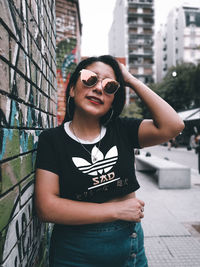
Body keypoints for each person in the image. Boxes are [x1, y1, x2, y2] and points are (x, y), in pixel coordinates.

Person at [34, 55, 184, 267]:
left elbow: (174, 125)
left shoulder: (123, 130)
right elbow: (46, 207)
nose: (98, 88)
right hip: (73, 253)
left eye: (110, 86)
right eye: (90, 79)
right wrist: (116, 211)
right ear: (72, 89)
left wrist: (130, 79)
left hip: (129, 249)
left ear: (114, 99)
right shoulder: (52, 140)